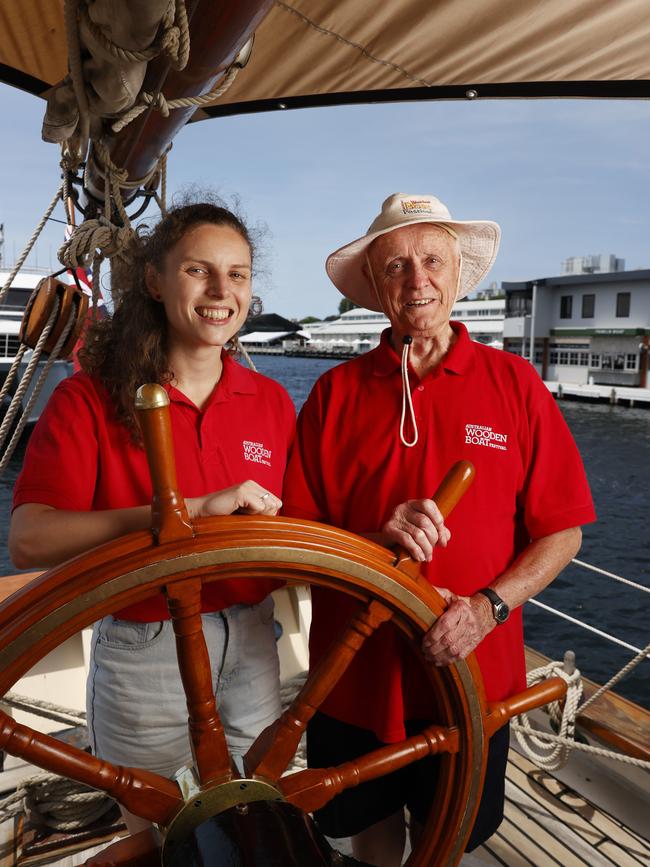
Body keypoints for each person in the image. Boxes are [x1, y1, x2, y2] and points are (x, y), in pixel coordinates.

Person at [282, 193, 596, 866]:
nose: (416, 280)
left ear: (457, 273)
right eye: (396, 266)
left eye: (431, 260)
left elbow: (563, 531)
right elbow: (295, 538)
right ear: (374, 286)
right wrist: (372, 528)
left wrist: (490, 607)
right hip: (354, 675)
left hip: (473, 673)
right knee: (368, 835)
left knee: (445, 839)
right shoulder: (333, 395)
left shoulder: (515, 384)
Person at [9, 200, 295, 831]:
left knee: (252, 825)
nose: (223, 291)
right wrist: (186, 513)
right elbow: (30, 539)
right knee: (158, 835)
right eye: (199, 270)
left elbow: (301, 527)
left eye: (239, 274)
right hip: (147, 646)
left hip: (253, 641)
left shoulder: (272, 402)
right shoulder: (88, 399)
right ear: (155, 281)